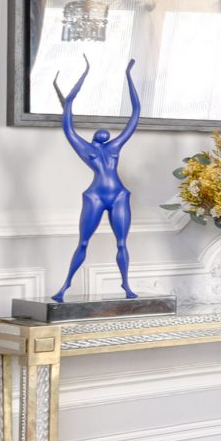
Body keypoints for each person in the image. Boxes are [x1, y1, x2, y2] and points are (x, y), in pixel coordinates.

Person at [49, 59, 144, 301]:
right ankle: (64, 288)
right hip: (95, 196)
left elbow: (135, 114)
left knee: (122, 243)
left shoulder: (114, 146)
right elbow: (68, 126)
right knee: (83, 242)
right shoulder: (85, 149)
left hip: (119, 194)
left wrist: (129, 75)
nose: (104, 132)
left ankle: (127, 286)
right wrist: (72, 96)